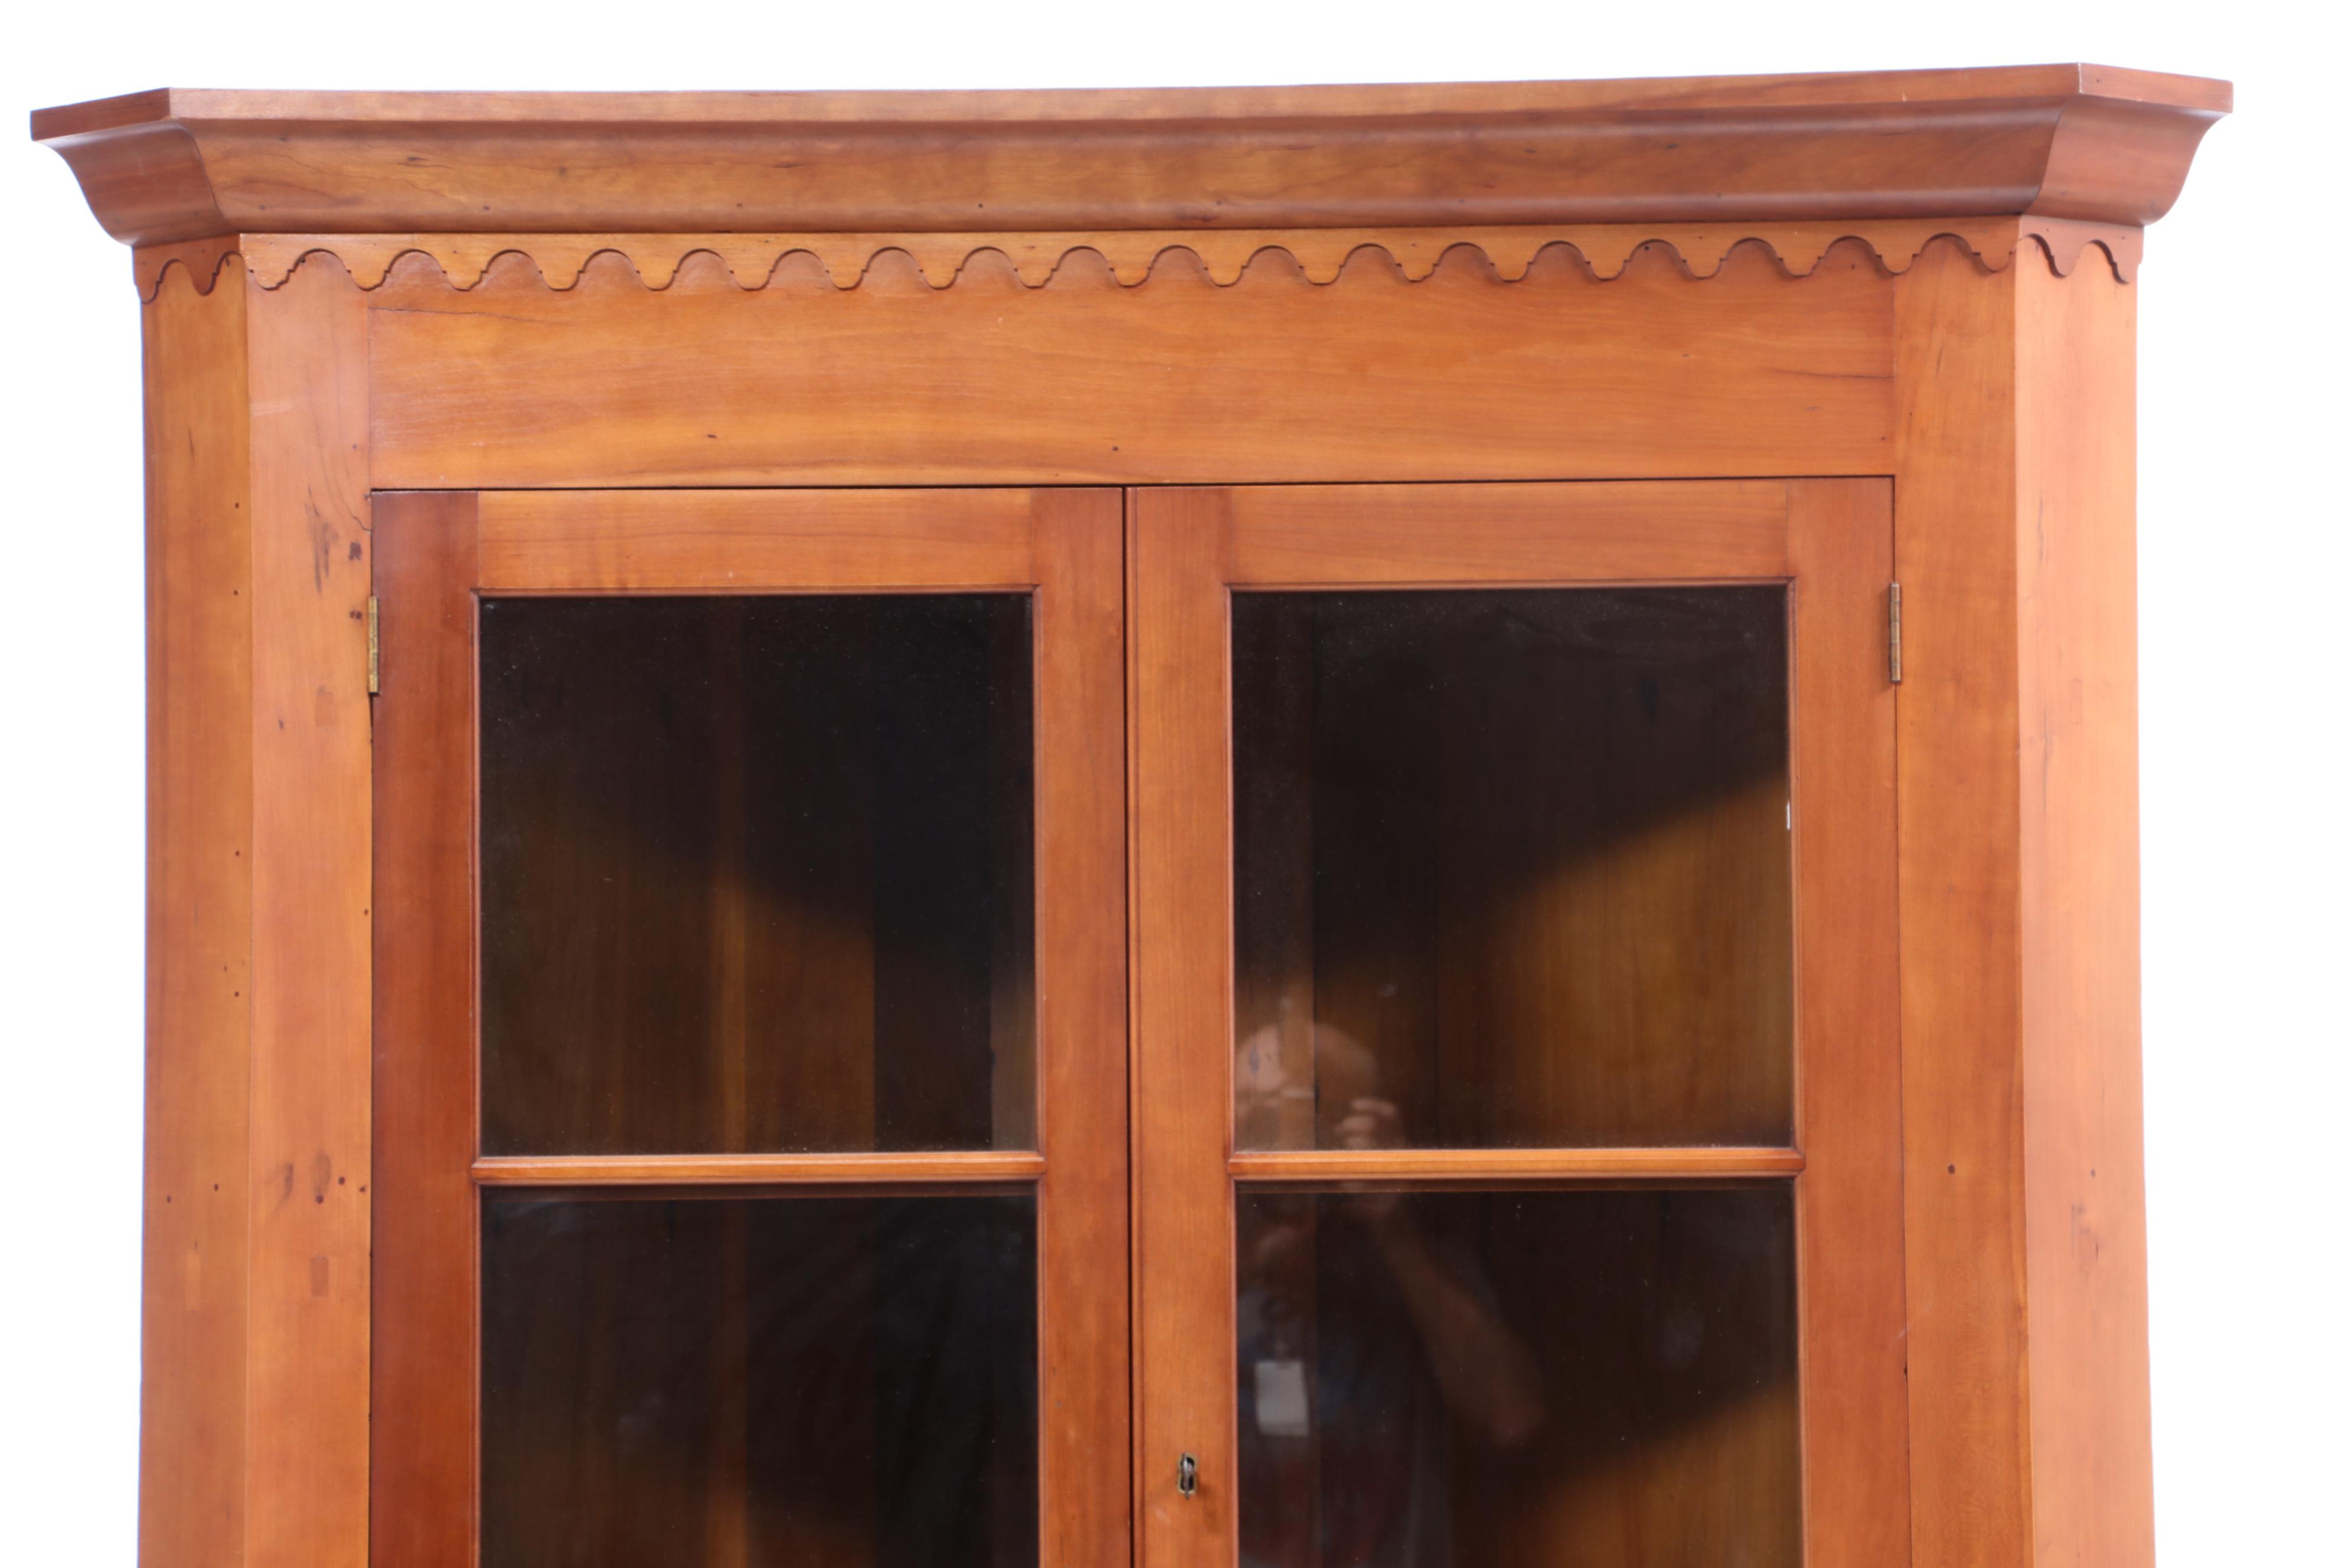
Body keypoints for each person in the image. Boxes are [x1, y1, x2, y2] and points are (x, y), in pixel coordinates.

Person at [1234, 1020, 1546, 1567]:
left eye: (1301, 1114)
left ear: (1357, 1127)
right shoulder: (1190, 1265)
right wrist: (1234, 1234)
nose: (1274, 1139)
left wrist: (1395, 1229)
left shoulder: (1411, 1262)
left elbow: (1512, 1416)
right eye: (1250, 1111)